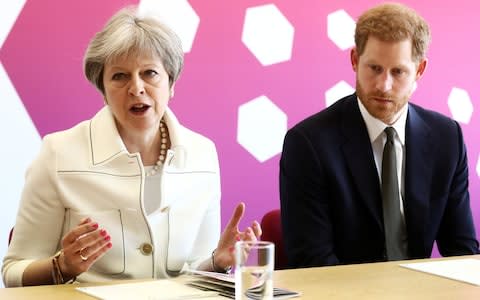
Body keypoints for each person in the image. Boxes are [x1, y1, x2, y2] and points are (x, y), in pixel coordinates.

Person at [2, 5, 261, 287]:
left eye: (149, 73)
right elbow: (13, 272)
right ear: (102, 90)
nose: (136, 88)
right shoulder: (58, 153)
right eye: (119, 76)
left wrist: (217, 262)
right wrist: (61, 266)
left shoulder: (202, 154)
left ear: (171, 83)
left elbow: (194, 276)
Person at [279, 2, 479, 268]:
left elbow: (462, 251)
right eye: (374, 68)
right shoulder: (308, 144)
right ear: (354, 60)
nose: (383, 85)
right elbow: (313, 264)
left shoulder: (447, 138)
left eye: (398, 72)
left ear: (419, 70)